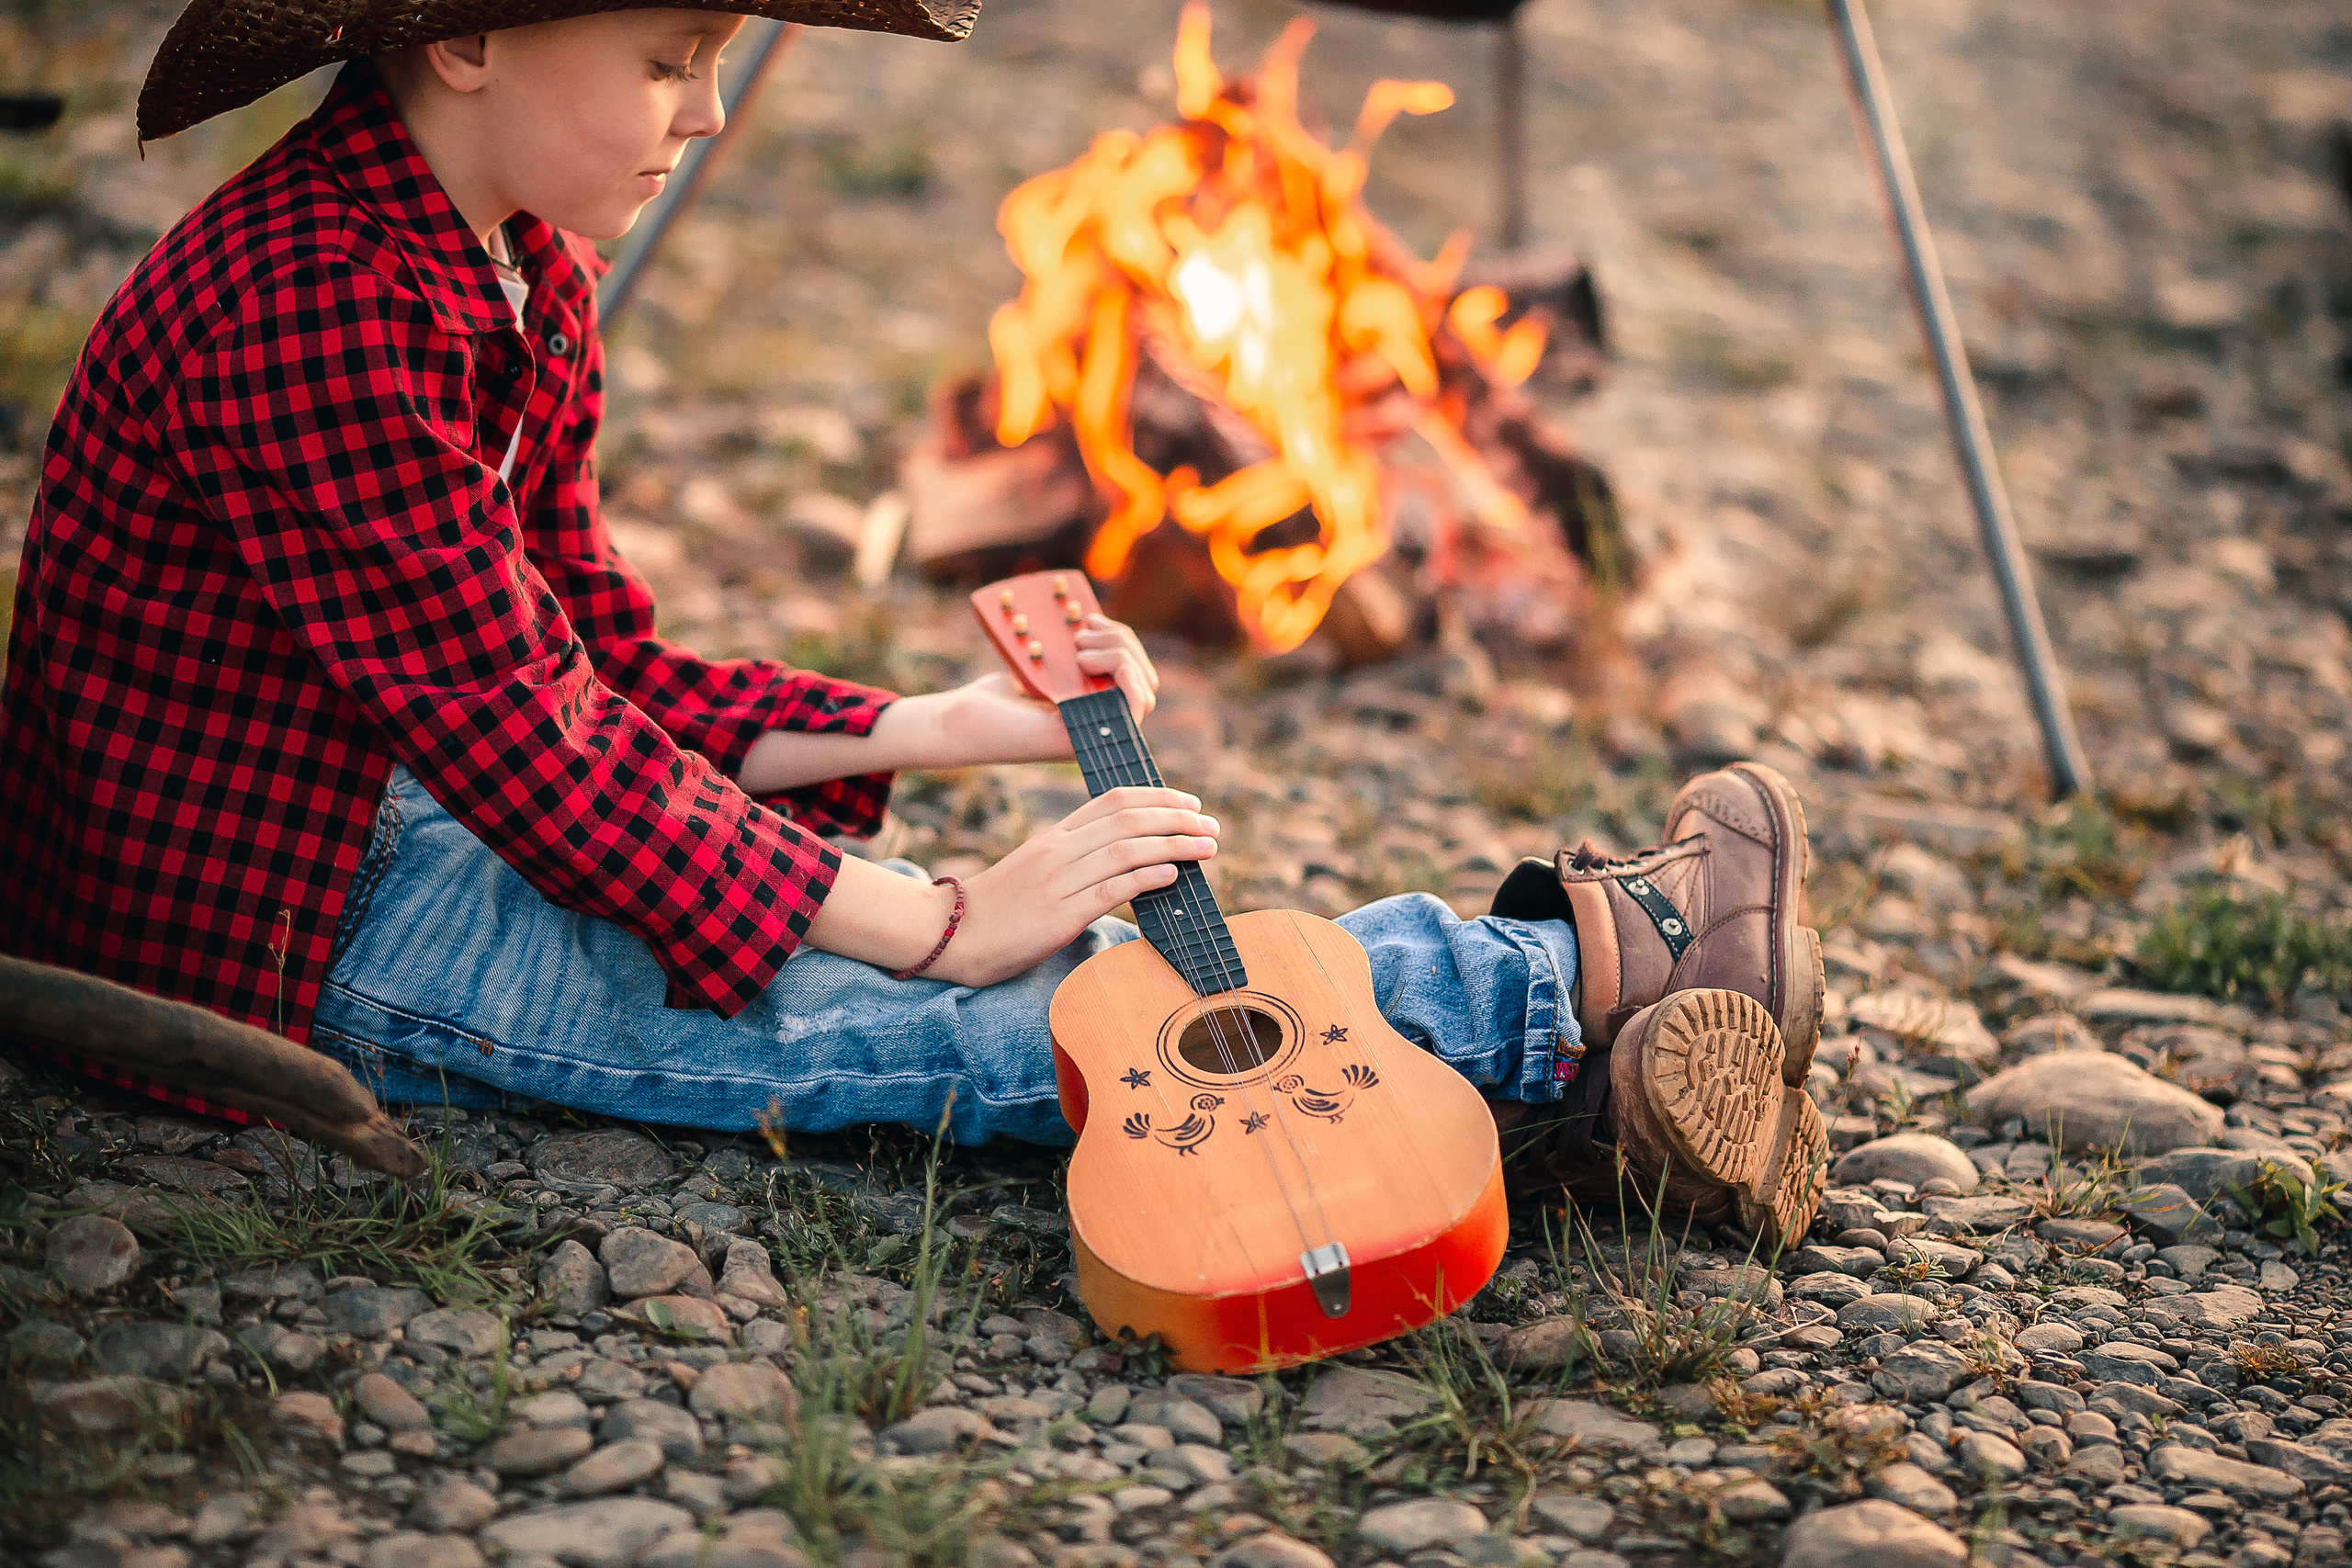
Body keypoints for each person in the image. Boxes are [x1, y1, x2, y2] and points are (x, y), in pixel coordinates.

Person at [0, 2, 1826, 1244]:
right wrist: (946, 917)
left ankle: (1578, 1064)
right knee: (913, 1014)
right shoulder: (305, 303)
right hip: (292, 926)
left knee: (909, 956)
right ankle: (1566, 994)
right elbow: (527, 742)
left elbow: (591, 670)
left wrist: (932, 725)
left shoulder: (505, 262)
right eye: (663, 57)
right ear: (463, 35)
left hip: (399, 809)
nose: (704, 110)